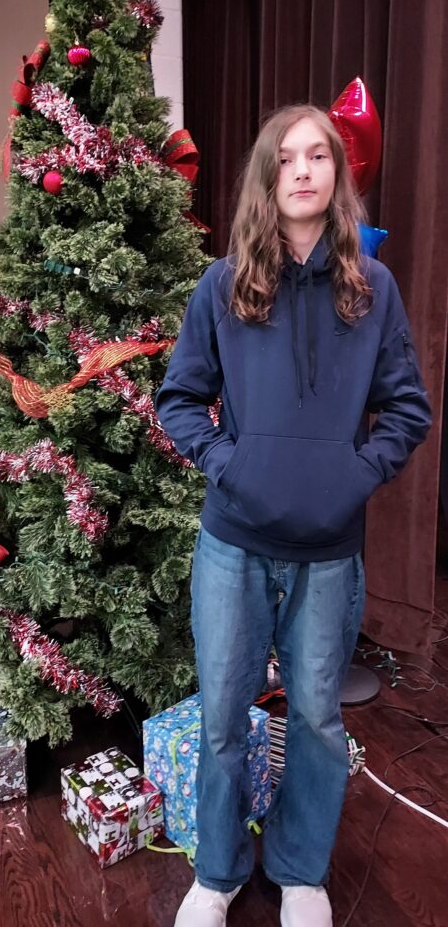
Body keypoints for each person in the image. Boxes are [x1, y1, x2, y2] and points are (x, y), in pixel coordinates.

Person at [154, 105, 431, 927]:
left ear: (336, 176)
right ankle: (217, 870)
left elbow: (407, 410)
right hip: (233, 543)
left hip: (328, 551)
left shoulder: (371, 290)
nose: (303, 169)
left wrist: (353, 475)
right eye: (287, 157)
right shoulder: (223, 281)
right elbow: (178, 400)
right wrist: (229, 465)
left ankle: (301, 868)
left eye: (319, 156)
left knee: (312, 715)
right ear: (267, 178)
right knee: (220, 714)